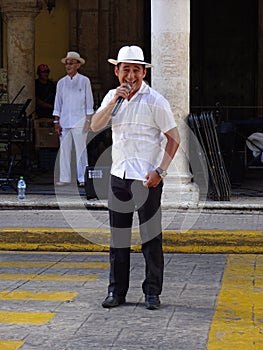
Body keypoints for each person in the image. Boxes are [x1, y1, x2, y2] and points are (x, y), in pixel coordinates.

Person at [91, 45, 180, 310]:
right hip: (119, 175)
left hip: (146, 179)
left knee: (151, 238)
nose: (130, 76)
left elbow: (173, 138)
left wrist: (160, 171)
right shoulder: (112, 96)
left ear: (144, 72)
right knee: (118, 238)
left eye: (136, 70)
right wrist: (113, 102)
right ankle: (116, 292)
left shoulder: (155, 101)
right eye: (125, 70)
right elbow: (96, 126)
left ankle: (152, 292)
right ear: (117, 71)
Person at [53, 51, 94, 187]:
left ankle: (83, 178)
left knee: (81, 150)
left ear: (78, 65)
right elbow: (58, 103)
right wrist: (56, 122)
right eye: (67, 63)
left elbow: (89, 102)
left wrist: (89, 120)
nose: (68, 65)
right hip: (65, 121)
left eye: (71, 63)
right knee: (64, 150)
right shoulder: (61, 83)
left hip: (80, 121)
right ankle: (64, 178)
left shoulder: (84, 81)